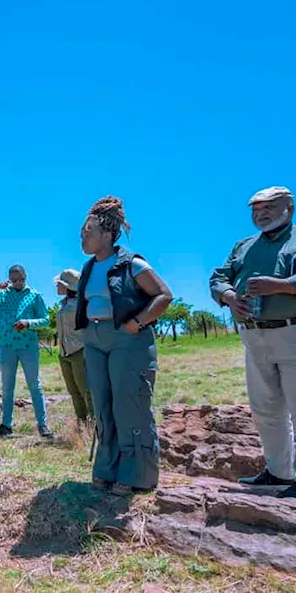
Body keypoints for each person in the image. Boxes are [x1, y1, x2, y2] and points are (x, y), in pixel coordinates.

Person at [210, 186, 296, 504]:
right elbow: (218, 277)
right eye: (256, 209)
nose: (261, 213)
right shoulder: (243, 246)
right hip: (254, 336)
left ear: (290, 208)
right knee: (265, 409)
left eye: (269, 207)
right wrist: (229, 298)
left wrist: (280, 286)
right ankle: (278, 473)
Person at [74, 198, 173, 495]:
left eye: (87, 230)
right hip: (94, 340)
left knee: (128, 404)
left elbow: (163, 296)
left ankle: (137, 476)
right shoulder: (88, 267)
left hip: (128, 340)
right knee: (103, 405)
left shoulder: (132, 263)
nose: (82, 236)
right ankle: (107, 468)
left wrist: (139, 322)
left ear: (106, 233)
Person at [0, 264, 51, 439]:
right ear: (9, 279)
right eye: (14, 280)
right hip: (7, 346)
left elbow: (46, 320)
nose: (17, 282)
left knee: (34, 385)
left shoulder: (35, 295)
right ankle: (6, 425)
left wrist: (29, 323)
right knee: (7, 387)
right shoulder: (2, 294)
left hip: (29, 346)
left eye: (20, 279)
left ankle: (42, 424)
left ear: (26, 276)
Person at [54, 269, 94, 428]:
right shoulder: (64, 304)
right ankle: (82, 423)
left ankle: (94, 424)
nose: (57, 285)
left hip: (79, 351)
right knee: (73, 390)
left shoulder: (82, 305)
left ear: (68, 286)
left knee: (86, 390)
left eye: (60, 283)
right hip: (64, 353)